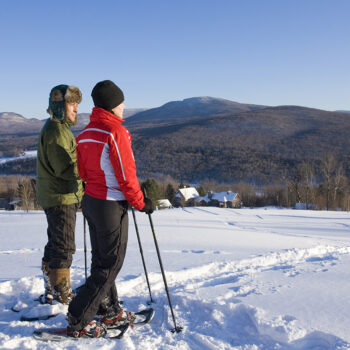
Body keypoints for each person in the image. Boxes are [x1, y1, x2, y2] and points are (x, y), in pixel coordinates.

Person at [67, 80, 154, 338]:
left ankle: (109, 309)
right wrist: (141, 202)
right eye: (120, 103)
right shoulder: (115, 132)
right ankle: (78, 317)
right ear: (111, 106)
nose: (123, 106)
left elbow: (82, 172)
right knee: (110, 263)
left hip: (92, 202)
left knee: (102, 261)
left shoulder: (85, 134)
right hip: (110, 205)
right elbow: (127, 176)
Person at [36, 84, 83, 305]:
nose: (76, 110)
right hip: (61, 196)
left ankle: (51, 289)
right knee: (64, 245)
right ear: (61, 106)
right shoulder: (56, 131)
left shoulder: (59, 128)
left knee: (56, 242)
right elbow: (65, 169)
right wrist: (86, 174)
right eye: (72, 105)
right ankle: (62, 296)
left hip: (56, 195)